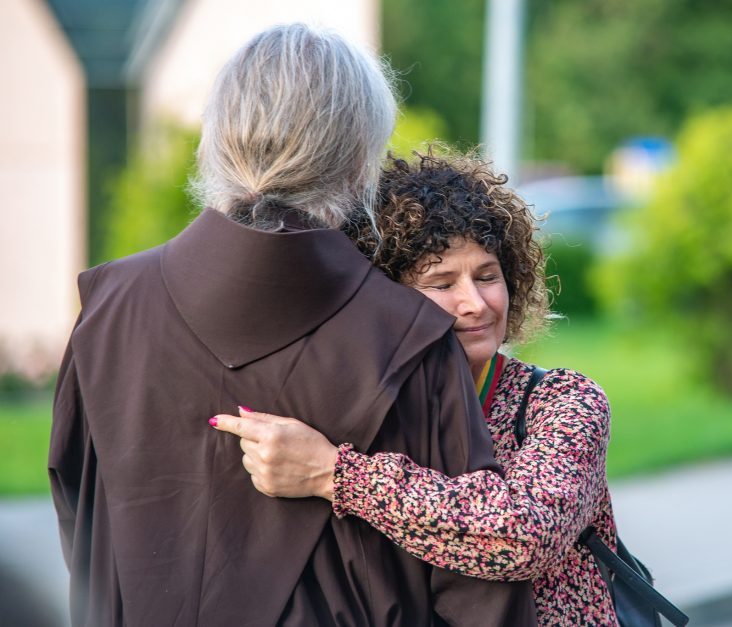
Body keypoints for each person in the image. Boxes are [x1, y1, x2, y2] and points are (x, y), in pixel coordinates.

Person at [48, 26, 535, 626]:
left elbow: (81, 528)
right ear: (360, 157)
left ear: (218, 141)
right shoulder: (410, 338)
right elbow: (481, 595)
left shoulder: (106, 308)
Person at [213, 152, 620, 625]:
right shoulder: (369, 410)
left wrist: (332, 474)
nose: (475, 303)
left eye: (488, 276)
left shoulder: (564, 401)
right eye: (441, 283)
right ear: (384, 302)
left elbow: (524, 537)